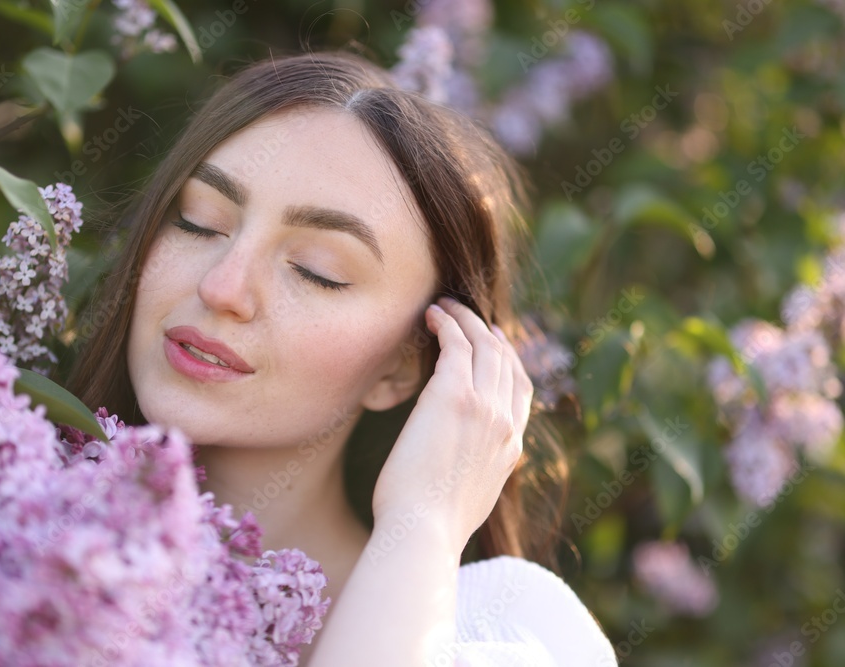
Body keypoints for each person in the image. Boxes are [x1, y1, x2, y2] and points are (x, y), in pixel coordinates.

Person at [68, 51, 618, 666]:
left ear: (404, 365)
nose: (222, 287)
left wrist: (424, 523)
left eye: (316, 271)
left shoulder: (509, 631)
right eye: (199, 223)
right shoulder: (10, 519)